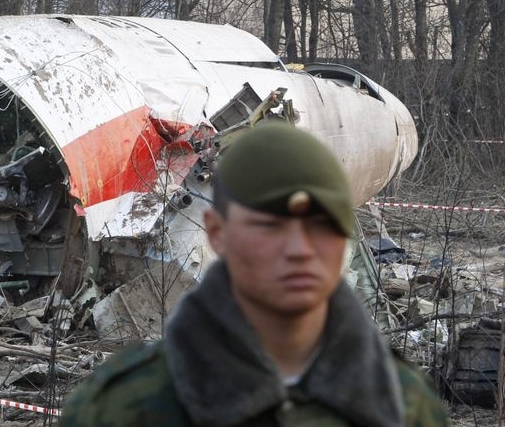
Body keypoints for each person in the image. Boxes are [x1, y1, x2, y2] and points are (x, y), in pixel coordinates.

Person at [60, 123, 449, 427]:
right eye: (270, 226)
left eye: (320, 225)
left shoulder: (404, 402)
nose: (299, 249)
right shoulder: (125, 409)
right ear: (218, 233)